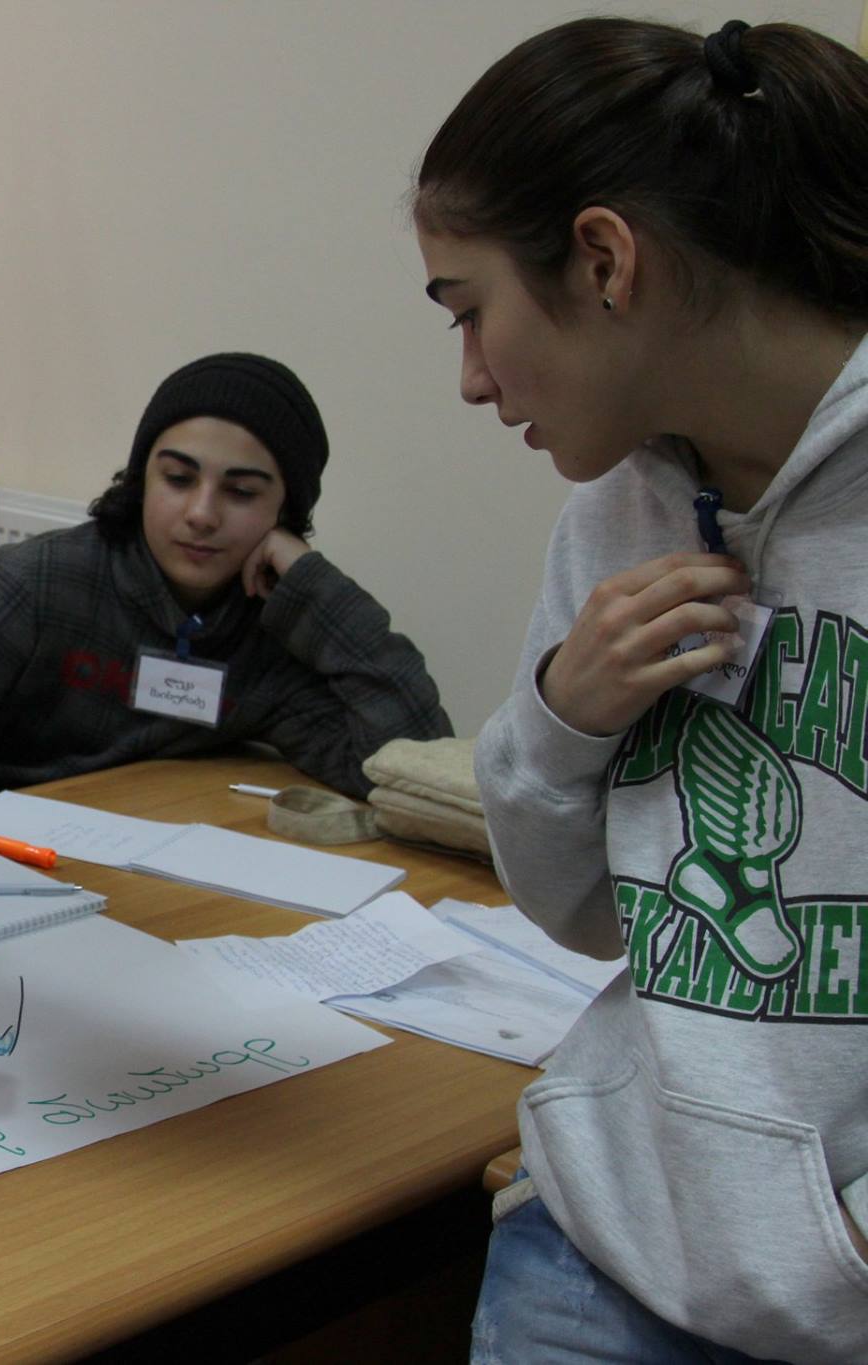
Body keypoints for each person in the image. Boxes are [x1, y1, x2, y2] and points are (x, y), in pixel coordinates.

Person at [414, 17, 868, 1363]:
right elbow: (585, 916)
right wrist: (563, 718)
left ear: (604, 260)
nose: (471, 379)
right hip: (600, 1256)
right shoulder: (618, 512)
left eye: (468, 310)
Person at [0, 353, 450, 810]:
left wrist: (316, 587)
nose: (202, 514)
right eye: (178, 478)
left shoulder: (275, 627)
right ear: (142, 480)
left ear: (284, 512)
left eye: (241, 492)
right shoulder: (35, 583)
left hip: (142, 863)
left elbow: (411, 775)